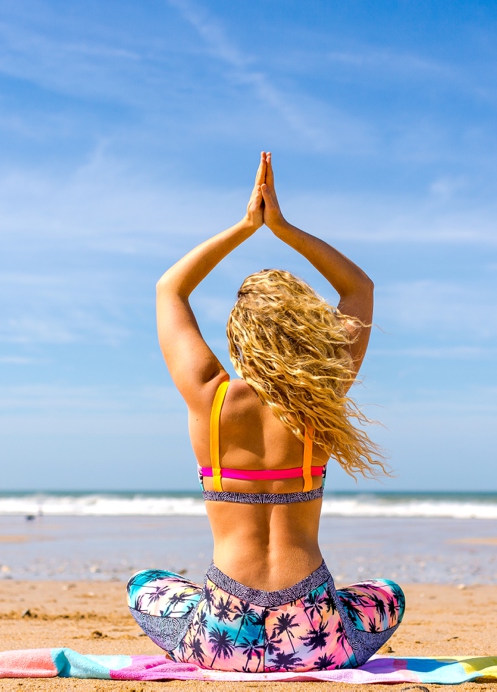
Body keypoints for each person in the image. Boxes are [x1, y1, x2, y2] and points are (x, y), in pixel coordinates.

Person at [127, 153, 404, 672]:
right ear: (307, 329)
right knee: (386, 594)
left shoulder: (209, 397)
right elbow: (359, 289)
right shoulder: (320, 400)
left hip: (219, 640)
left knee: (145, 585)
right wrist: (284, 228)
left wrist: (246, 226)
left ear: (238, 334)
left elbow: (171, 288)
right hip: (316, 641)